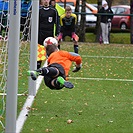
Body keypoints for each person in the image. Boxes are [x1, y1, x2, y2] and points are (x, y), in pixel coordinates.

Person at [37, 0, 60, 69]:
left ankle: (52, 66)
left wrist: (57, 34)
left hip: (49, 34)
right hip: (40, 33)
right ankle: (38, 67)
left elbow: (57, 23)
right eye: (44, 0)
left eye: (47, 0)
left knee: (50, 50)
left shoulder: (53, 11)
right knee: (40, 51)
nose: (46, 1)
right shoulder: (39, 10)